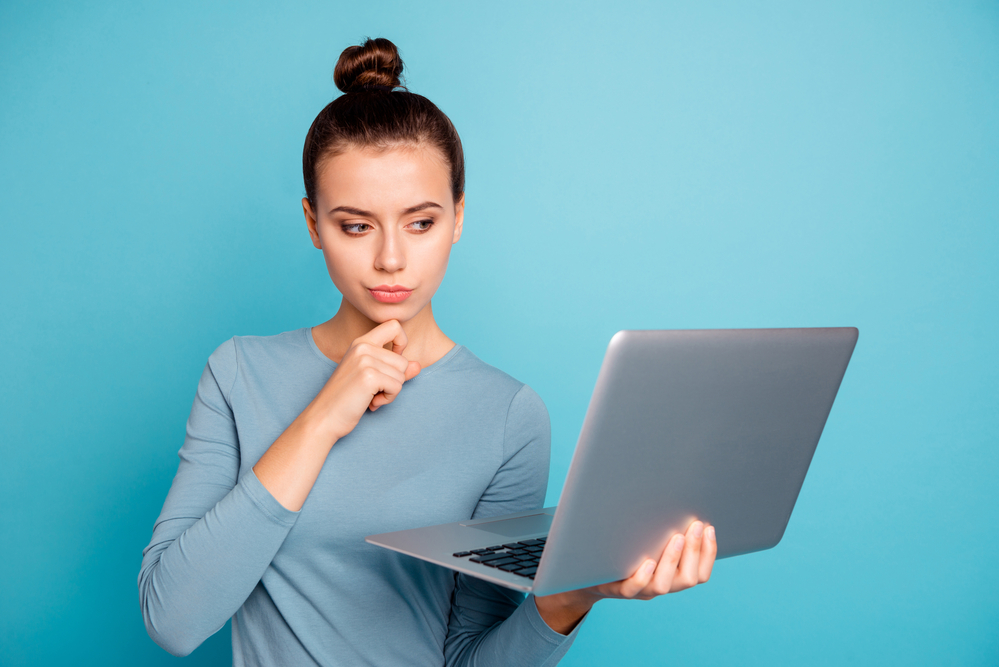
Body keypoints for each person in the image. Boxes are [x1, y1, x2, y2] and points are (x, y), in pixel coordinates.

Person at [138, 37, 717, 666]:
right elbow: (173, 619)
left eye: (421, 222)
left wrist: (570, 599)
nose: (391, 258)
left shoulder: (507, 416)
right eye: (356, 225)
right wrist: (323, 418)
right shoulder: (239, 374)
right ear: (312, 224)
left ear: (458, 218)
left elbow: (469, 656)